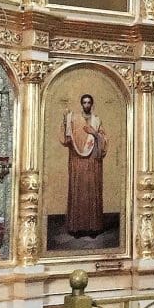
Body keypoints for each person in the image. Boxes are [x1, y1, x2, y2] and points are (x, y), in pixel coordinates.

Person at [61, 94, 107, 237]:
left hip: (93, 160)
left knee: (92, 191)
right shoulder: (74, 119)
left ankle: (93, 228)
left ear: (92, 104)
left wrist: (94, 133)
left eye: (89, 103)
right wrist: (65, 122)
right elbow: (66, 139)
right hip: (77, 161)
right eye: (84, 102)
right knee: (79, 191)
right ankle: (77, 228)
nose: (86, 105)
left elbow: (104, 140)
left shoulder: (97, 120)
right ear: (81, 104)